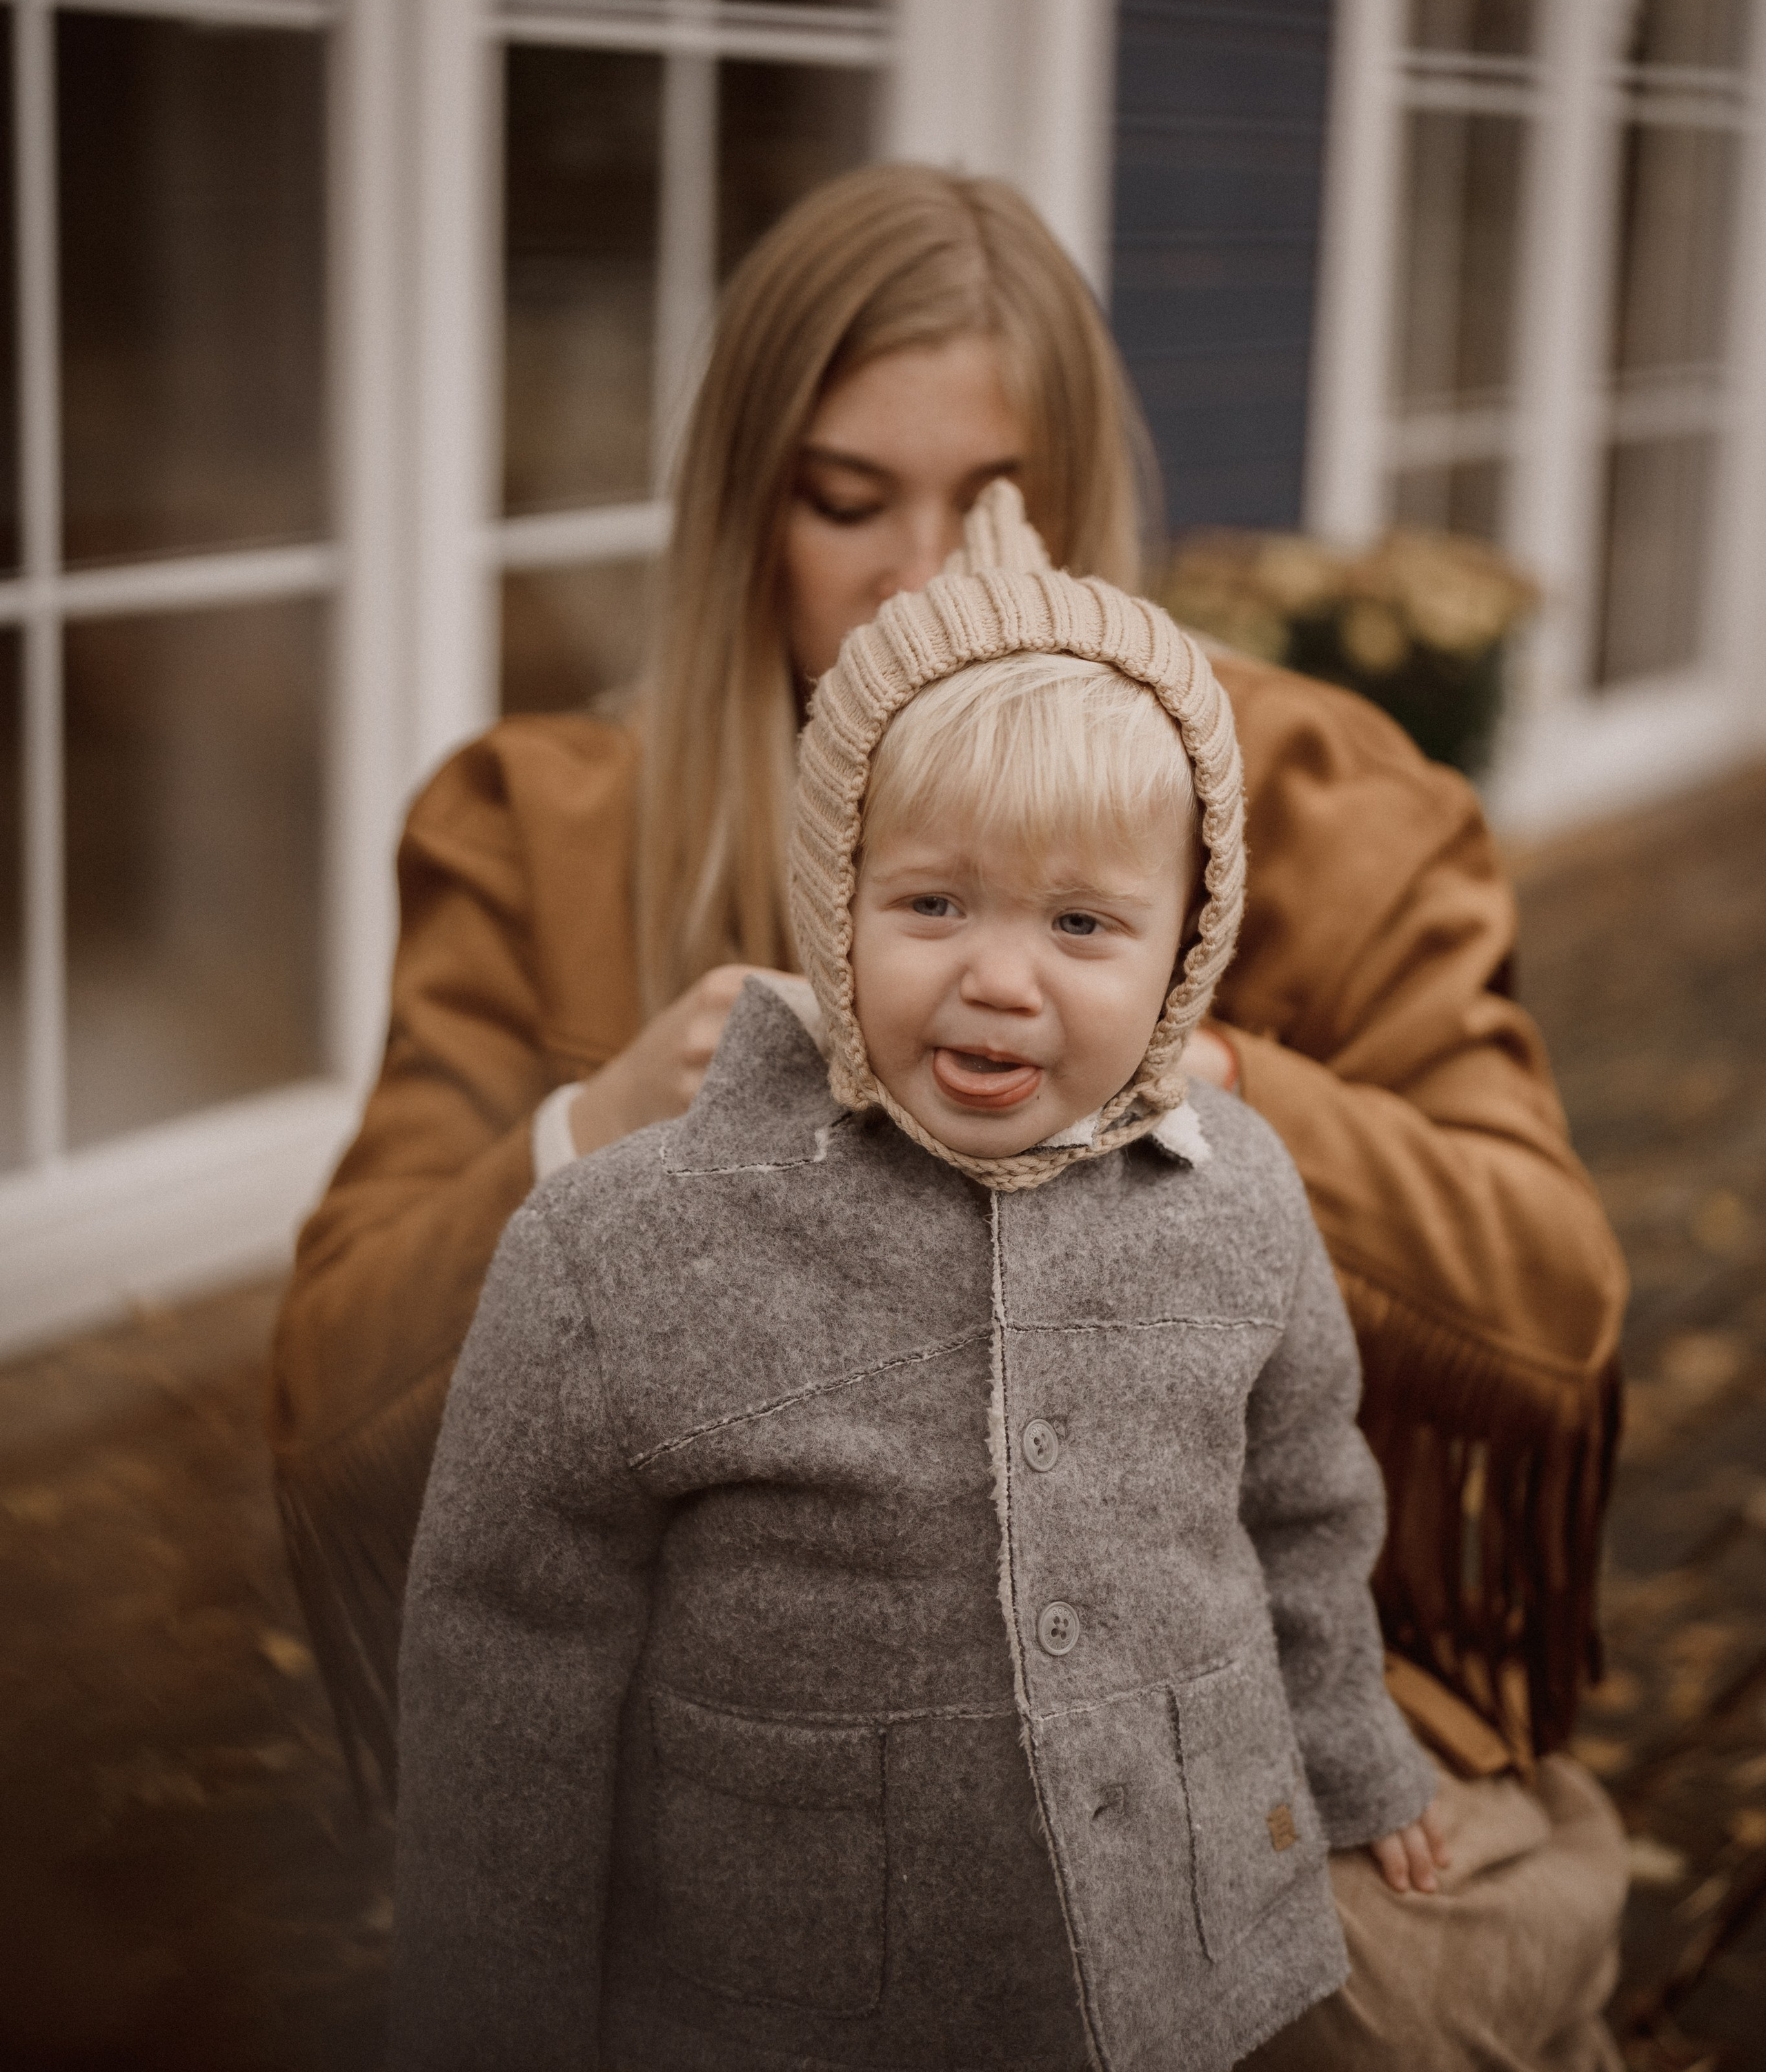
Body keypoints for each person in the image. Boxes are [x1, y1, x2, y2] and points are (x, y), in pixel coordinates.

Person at [270, 163, 1629, 2066]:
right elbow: (336, 1396)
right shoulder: (546, 827)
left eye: (995, 501)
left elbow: (1549, 1287)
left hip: (1206, 1683)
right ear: (744, 516)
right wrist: (585, 1124)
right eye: (846, 502)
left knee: (1386, 2002)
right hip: (747, 1778)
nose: (924, 577)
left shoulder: (1309, 787)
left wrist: (1183, 1063)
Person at [390, 494, 1443, 2072]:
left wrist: (1351, 1752)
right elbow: (505, 1661)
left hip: (1181, 1948)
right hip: (795, 1995)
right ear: (838, 900)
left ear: (1184, 950)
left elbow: (1301, 1504)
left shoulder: (1235, 1197)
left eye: (1081, 923)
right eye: (933, 902)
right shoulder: (627, 1249)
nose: (997, 977)